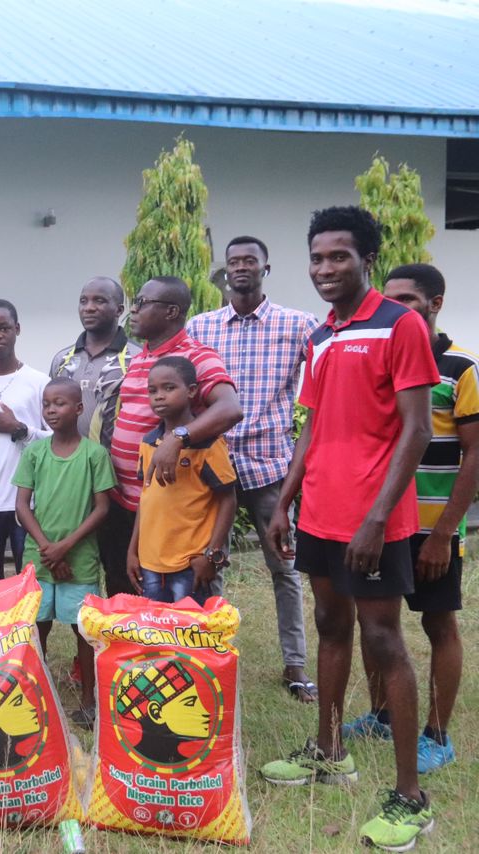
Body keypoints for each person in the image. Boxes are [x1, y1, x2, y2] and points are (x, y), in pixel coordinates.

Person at [260, 207, 439, 851]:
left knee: (383, 639)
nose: (325, 269)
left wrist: (377, 517)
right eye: (316, 257)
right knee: (331, 627)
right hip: (322, 515)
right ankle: (329, 750)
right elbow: (312, 424)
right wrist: (285, 502)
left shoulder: (401, 325)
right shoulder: (321, 336)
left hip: (375, 520)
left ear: (367, 259)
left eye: (339, 257)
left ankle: (410, 797)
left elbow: (416, 429)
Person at [344, 264, 477, 775]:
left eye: (408, 299)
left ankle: (437, 734)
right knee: (374, 621)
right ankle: (380, 714)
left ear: (435, 303)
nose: (396, 307)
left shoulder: (461, 366)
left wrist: (444, 532)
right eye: (390, 298)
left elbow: (474, 454)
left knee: (437, 622)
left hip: (430, 528)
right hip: (379, 521)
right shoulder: (383, 357)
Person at [188, 236, 319, 702]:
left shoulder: (299, 324)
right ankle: (207, 654)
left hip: (269, 467)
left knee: (283, 566)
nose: (241, 268)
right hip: (212, 467)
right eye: (233, 261)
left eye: (250, 261)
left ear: (266, 267)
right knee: (208, 562)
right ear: (224, 271)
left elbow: (326, 380)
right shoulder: (201, 327)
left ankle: (295, 665)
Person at [108, 277, 241, 597]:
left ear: (171, 311)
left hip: (179, 510)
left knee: (189, 607)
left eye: (141, 303)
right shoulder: (141, 357)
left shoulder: (196, 356)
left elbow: (230, 408)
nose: (133, 311)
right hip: (135, 502)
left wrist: (177, 438)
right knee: (129, 594)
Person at [12, 378, 114, 727]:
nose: (52, 410)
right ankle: (31, 696)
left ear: (79, 408)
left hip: (79, 560)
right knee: (35, 628)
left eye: (60, 404)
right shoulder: (34, 452)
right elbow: (22, 506)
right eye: (47, 404)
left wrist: (65, 548)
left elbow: (102, 509)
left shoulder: (94, 455)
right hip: (38, 558)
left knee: (82, 631)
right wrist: (47, 549)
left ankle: (89, 700)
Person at [50, 277, 141, 597]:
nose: (89, 307)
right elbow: (54, 414)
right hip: (71, 479)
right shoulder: (62, 359)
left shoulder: (136, 358)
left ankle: (123, 638)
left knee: (120, 566)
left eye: (100, 301)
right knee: (77, 567)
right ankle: (87, 639)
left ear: (119, 309)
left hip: (119, 482)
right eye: (84, 300)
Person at [128, 357, 237, 606]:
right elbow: (146, 499)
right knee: (157, 632)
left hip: (190, 563)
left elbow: (228, 500)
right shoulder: (148, 443)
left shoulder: (209, 444)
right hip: (151, 562)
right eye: (152, 390)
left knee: (190, 635)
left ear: (191, 391)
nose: (159, 396)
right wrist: (133, 551)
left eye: (169, 388)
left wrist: (211, 555)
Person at [0, 299, 51, 585]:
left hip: (27, 504)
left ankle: (31, 633)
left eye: (4, 328)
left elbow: (58, 440)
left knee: (30, 584)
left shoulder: (39, 381)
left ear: (17, 329)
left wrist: (19, 428)